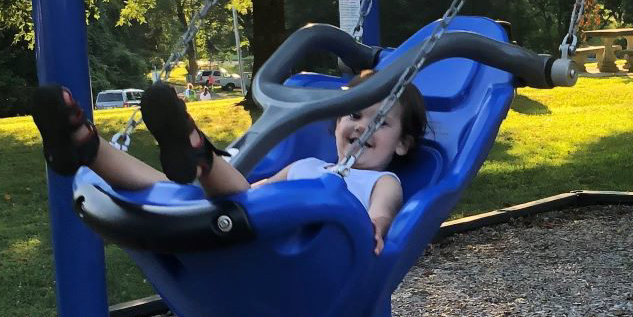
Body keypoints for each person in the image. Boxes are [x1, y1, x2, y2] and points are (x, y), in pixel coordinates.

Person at [31, 77, 426, 254]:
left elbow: (381, 217)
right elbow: (256, 191)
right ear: (336, 123)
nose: (360, 126)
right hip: (243, 229)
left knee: (220, 193)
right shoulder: (307, 165)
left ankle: (198, 152)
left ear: (404, 144)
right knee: (178, 193)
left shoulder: (382, 181)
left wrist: (374, 231)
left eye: (379, 121)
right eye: (352, 114)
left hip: (295, 257)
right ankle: (86, 146)